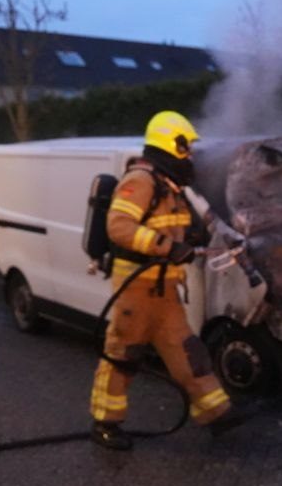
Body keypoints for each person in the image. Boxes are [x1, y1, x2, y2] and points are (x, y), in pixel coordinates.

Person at [88, 110, 233, 449]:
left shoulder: (168, 185)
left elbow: (177, 227)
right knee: (122, 356)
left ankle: (216, 413)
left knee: (188, 353)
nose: (191, 155)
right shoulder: (140, 181)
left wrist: (191, 241)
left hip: (165, 290)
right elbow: (119, 227)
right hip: (137, 291)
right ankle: (105, 424)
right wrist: (168, 247)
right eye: (187, 147)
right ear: (173, 143)